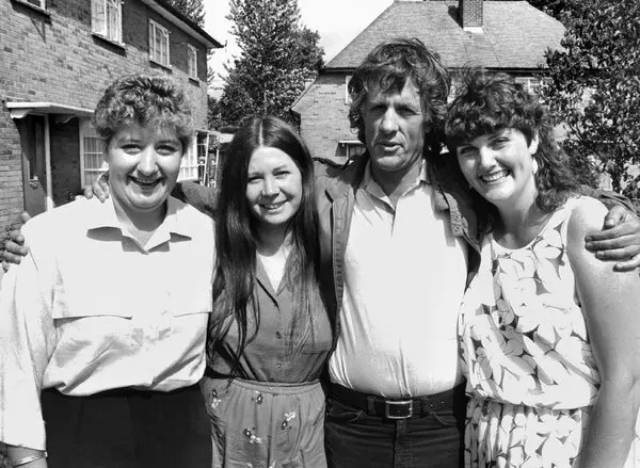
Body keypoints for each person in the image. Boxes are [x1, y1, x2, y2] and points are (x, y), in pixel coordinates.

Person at [3, 38, 640, 468]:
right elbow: (225, 189)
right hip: (349, 427)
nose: (389, 124)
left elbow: (531, 191)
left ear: (429, 121)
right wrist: (104, 194)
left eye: (405, 110)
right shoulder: (330, 190)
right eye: (375, 109)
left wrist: (617, 209)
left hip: (444, 430)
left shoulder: (460, 184)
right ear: (358, 119)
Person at [0, 75, 214, 468]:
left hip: (181, 438)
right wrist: (27, 460)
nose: (148, 166)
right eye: (131, 146)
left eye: (165, 148)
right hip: (81, 438)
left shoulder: (206, 236)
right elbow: (15, 366)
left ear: (182, 154)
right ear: (107, 151)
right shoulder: (46, 239)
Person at [446, 69, 640, 467]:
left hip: (570, 450)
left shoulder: (583, 222)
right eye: (468, 150)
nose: (485, 161)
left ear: (532, 140)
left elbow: (627, 378)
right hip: (485, 448)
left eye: (500, 141)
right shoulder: (476, 235)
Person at [201, 115, 332, 467]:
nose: (270, 190)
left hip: (306, 439)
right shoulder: (211, 247)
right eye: (253, 178)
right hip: (225, 437)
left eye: (281, 173)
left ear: (304, 174)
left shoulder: (329, 250)